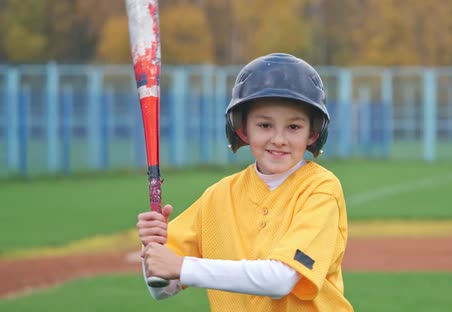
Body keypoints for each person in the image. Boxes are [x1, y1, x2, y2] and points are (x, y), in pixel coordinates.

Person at [137, 53, 353, 311]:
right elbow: (162, 288)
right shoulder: (218, 196)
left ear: (313, 133)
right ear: (242, 129)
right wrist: (152, 246)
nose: (279, 139)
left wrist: (183, 267)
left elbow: (282, 279)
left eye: (294, 127)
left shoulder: (320, 189)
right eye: (264, 125)